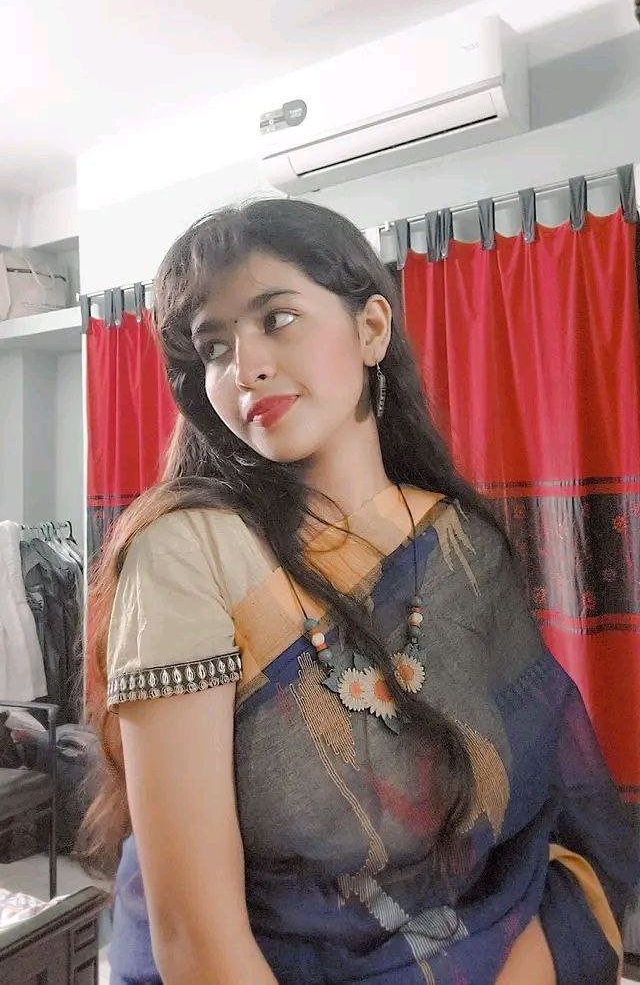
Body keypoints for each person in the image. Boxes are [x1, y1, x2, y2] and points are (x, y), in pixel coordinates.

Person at [79, 197, 638, 985]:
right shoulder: (189, 554)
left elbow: (537, 820)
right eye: (213, 347)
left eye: (276, 318)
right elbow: (196, 940)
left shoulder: (459, 540)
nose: (245, 368)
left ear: (372, 328)